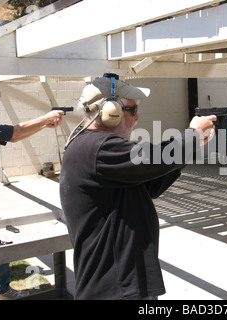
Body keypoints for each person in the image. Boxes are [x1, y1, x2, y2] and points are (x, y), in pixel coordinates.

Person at [59, 75, 216, 300]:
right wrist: (192, 134)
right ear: (110, 111)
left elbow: (149, 183)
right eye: (132, 111)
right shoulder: (98, 148)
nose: (137, 117)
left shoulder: (92, 146)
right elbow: (153, 159)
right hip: (115, 288)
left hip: (120, 282)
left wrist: (192, 144)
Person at [0, 89, 64, 300]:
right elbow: (15, 133)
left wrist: (45, 124)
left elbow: (15, 138)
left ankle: (1, 291)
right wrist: (46, 118)